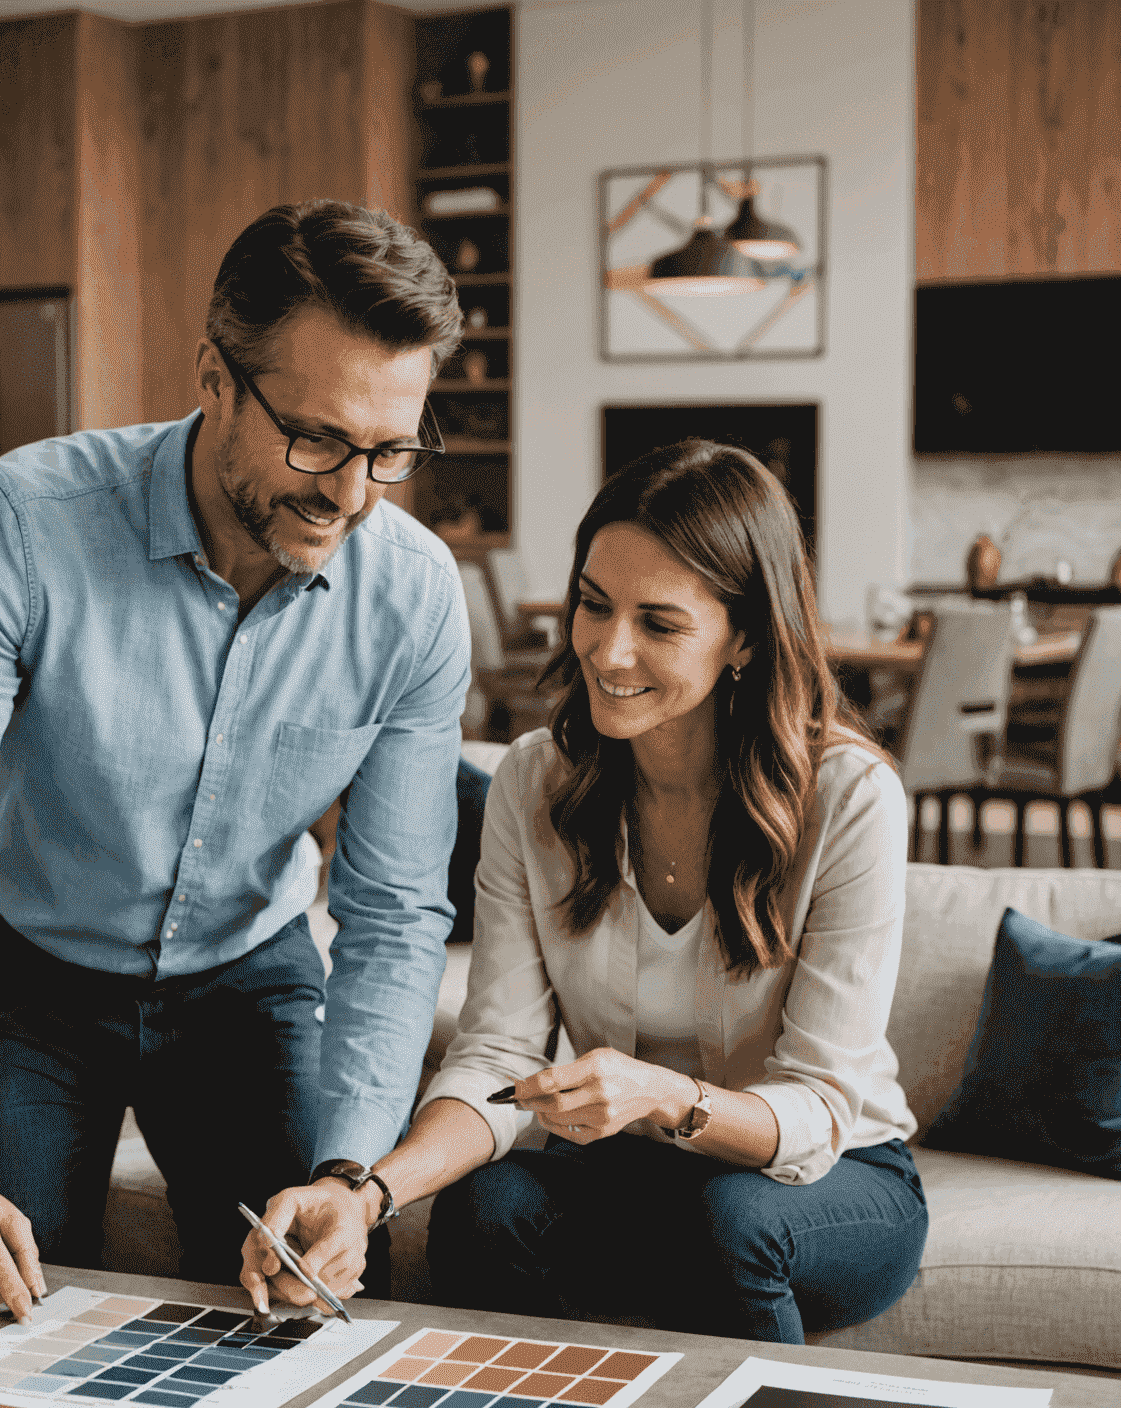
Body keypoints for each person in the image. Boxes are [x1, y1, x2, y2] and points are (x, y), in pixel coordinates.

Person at [0, 200, 472, 1324]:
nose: (352, 494)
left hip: (248, 973)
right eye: (314, 438)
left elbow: (397, 908)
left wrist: (352, 1174)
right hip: (23, 972)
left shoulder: (412, 596)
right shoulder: (21, 525)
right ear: (215, 374)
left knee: (307, 1305)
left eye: (390, 450)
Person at [244, 439, 928, 1344]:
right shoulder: (536, 782)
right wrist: (366, 1194)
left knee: (732, 1221)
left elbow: (820, 1107)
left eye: (660, 623)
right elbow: (494, 1053)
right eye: (593, 606)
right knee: (485, 1206)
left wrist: (662, 1095)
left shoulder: (849, 798)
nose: (609, 651)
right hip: (638, 1174)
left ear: (747, 638)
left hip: (827, 1178)